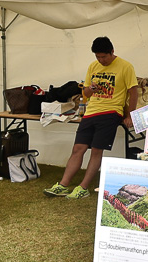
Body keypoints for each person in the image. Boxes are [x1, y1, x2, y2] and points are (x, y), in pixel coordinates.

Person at [44, 37, 138, 200]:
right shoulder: (93, 67)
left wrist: (130, 115)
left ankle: (83, 187)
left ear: (112, 52)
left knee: (96, 150)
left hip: (111, 112)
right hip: (90, 112)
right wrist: (91, 88)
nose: (101, 60)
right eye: (97, 57)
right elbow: (85, 94)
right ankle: (63, 184)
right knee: (77, 149)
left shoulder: (126, 66)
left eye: (104, 57)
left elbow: (133, 92)